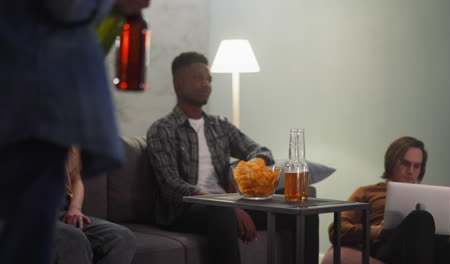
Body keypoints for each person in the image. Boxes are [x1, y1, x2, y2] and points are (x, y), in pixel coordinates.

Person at [0, 0, 147, 263]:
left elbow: (76, 178)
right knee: (30, 240)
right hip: (34, 103)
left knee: (115, 236)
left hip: (35, 103)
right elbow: (66, 6)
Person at [146, 51, 317, 264]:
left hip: (227, 205)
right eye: (198, 78)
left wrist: (249, 169)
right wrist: (228, 206)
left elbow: (261, 150)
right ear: (178, 83)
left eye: (209, 79)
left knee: (302, 210)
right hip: (186, 210)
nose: (206, 84)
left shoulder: (220, 125)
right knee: (222, 214)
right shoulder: (162, 129)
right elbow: (169, 184)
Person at [328, 136, 450, 264]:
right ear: (391, 162)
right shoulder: (367, 192)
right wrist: (373, 231)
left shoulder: (433, 196)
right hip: (392, 247)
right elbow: (336, 229)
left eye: (417, 166)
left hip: (436, 248)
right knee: (421, 217)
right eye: (405, 164)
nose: (411, 171)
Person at [54, 146, 136, 264]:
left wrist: (75, 208)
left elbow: (76, 179)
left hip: (62, 208)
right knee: (73, 239)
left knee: (122, 238)